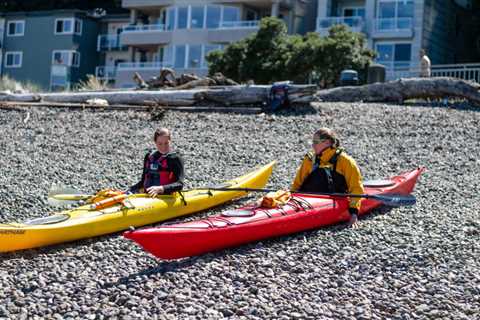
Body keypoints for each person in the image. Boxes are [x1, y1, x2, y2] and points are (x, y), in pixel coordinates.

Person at [291, 128, 364, 228]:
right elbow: (297, 184)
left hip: (334, 200)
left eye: (315, 142)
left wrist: (354, 214)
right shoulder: (310, 159)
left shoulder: (346, 161)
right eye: (312, 142)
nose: (312, 145)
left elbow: (355, 188)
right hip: (306, 200)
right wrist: (290, 199)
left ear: (327, 143)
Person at [129, 128, 184, 196]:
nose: (163, 147)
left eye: (166, 143)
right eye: (160, 144)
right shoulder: (149, 157)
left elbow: (180, 184)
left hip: (167, 197)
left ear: (170, 141)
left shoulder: (175, 159)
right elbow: (143, 181)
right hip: (147, 195)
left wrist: (161, 189)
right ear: (155, 142)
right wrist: (130, 190)